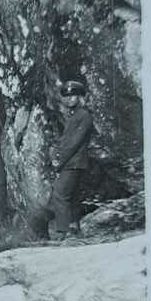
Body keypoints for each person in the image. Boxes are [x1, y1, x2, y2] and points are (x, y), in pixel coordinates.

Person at [47, 80, 94, 240]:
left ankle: (64, 232)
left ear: (81, 97)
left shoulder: (83, 116)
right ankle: (75, 230)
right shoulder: (75, 116)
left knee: (59, 194)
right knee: (72, 196)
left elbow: (73, 143)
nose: (70, 99)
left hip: (74, 162)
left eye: (74, 95)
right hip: (74, 162)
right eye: (67, 96)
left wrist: (58, 162)